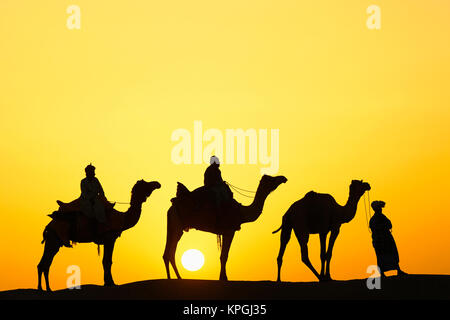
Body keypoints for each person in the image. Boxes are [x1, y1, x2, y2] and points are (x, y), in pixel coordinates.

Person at [369, 200, 407, 277]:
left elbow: (389, 225)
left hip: (385, 239)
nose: (381, 209)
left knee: (392, 254)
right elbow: (385, 226)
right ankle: (383, 273)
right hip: (381, 240)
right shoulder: (375, 219)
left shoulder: (380, 217)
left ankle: (398, 270)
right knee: (382, 256)